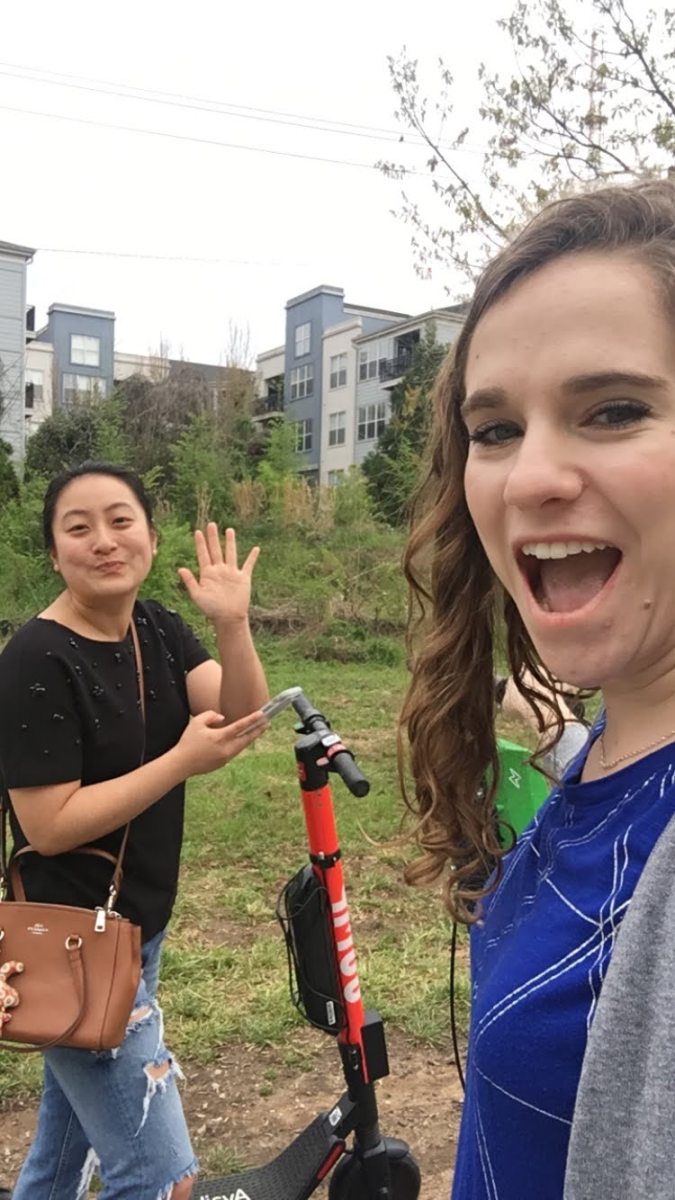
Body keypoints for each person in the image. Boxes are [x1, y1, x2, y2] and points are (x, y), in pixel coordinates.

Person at [400, 179, 675, 1200]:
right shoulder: (613, 748)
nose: (528, 479)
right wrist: (565, 738)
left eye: (614, 410)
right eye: (495, 429)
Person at [0, 462, 270, 1200]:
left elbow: (240, 713)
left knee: (60, 1160)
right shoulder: (34, 661)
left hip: (133, 933)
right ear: (53, 553)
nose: (104, 540)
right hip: (71, 946)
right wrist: (179, 762)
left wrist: (232, 624)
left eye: (121, 521)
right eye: (78, 528)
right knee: (162, 1178)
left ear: (150, 537)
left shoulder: (156, 628)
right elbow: (48, 826)